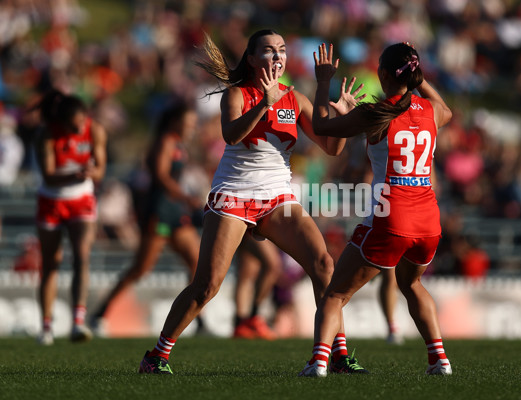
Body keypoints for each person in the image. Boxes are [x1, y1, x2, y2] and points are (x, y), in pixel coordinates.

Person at [138, 29, 367, 374]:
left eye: (282, 50)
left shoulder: (295, 97)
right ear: (252, 59)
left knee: (324, 265)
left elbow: (331, 146)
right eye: (269, 50)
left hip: (277, 198)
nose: (277, 56)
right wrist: (264, 102)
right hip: (234, 196)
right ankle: (157, 355)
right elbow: (231, 135)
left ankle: (337, 356)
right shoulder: (236, 95)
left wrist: (338, 107)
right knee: (207, 286)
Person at [298, 42, 453, 377]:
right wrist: (418, 73)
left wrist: (324, 81)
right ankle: (439, 360)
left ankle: (319, 363)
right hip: (428, 220)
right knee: (412, 285)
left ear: (382, 74)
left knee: (335, 294)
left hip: (391, 216)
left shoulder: (375, 112)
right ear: (414, 74)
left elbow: (322, 128)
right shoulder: (431, 111)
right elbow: (447, 109)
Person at [91, 101, 204, 334]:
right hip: (160, 212)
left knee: (198, 265)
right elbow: (161, 176)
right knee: (140, 269)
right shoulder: (165, 141)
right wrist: (187, 197)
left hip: (175, 213)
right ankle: (99, 314)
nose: (192, 127)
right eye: (188, 123)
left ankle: (199, 322)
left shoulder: (179, 144)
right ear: (175, 122)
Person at [34, 89, 107, 345]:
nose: (79, 129)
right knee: (50, 263)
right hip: (51, 201)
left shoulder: (95, 130)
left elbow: (100, 170)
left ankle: (78, 321)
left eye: (81, 124)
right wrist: (75, 174)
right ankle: (46, 327)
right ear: (62, 122)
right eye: (73, 126)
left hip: (81, 200)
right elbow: (48, 175)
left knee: (82, 255)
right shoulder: (47, 133)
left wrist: (91, 172)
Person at [232, 235, 281, 340]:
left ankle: (240, 324)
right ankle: (254, 317)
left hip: (255, 224)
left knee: (247, 272)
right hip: (253, 223)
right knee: (272, 265)